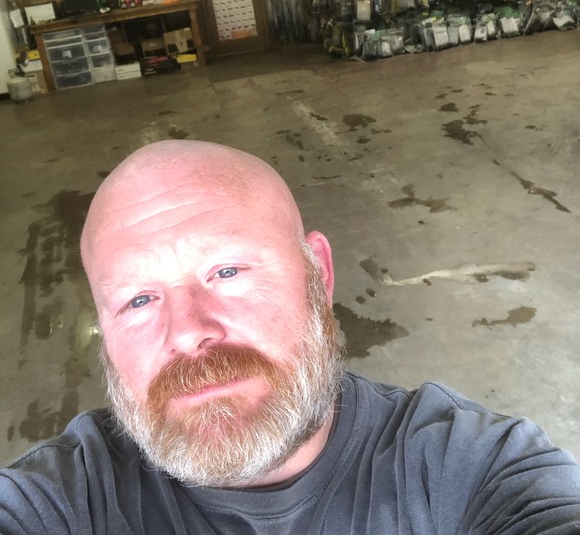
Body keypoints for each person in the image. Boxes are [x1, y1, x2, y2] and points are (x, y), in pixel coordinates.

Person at [1, 140, 579, 534]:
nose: (188, 333)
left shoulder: (471, 470)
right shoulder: (61, 499)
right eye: (138, 299)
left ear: (318, 275)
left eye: (227, 272)